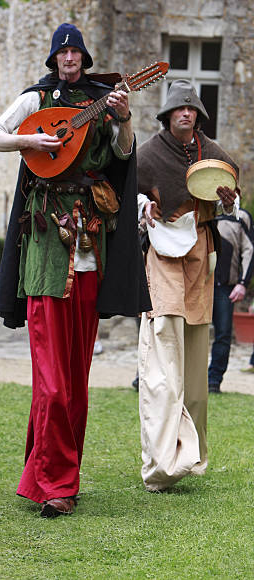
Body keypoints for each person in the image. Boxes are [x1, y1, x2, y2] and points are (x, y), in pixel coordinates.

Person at [0, 23, 151, 517]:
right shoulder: (37, 100)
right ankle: (54, 481)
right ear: (55, 58)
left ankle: (56, 477)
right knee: (51, 382)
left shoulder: (102, 99)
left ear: (85, 58)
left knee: (75, 379)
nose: (70, 59)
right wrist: (32, 143)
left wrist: (123, 119)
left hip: (88, 247)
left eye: (76, 52)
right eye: (63, 52)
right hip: (43, 252)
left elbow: (122, 155)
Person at [136, 79, 239, 492]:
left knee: (195, 359)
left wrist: (229, 200)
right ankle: (160, 463)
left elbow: (231, 195)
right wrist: (144, 205)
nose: (186, 114)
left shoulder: (210, 152)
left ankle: (190, 457)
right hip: (161, 252)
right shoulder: (148, 154)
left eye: (192, 109)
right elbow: (127, 194)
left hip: (200, 251)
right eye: (179, 109)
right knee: (163, 346)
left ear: (198, 114)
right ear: (167, 114)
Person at [208, 208, 254, 392]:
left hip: (225, 286)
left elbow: (249, 250)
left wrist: (243, 283)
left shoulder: (241, 216)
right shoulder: (202, 209)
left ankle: (213, 381)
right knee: (187, 332)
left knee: (223, 335)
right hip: (196, 285)